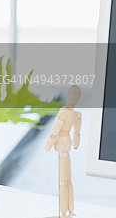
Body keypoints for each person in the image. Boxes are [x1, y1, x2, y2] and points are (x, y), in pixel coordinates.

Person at [45, 86, 82, 217]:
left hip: (62, 144)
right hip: (67, 143)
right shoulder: (77, 115)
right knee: (68, 180)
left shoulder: (65, 112)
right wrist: (75, 144)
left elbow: (55, 131)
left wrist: (49, 145)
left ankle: (64, 212)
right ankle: (69, 210)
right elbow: (77, 134)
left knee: (63, 181)